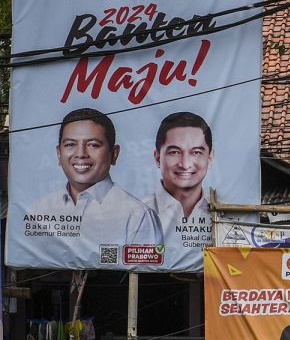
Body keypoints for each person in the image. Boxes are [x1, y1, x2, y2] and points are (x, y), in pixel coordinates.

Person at [23, 108, 162, 266]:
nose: (81, 154)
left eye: (93, 145)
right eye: (70, 144)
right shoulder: (38, 210)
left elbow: (147, 272)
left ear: (114, 154)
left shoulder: (137, 216)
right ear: (58, 154)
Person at [143, 111, 213, 264]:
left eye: (196, 152)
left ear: (209, 157)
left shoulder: (222, 213)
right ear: (157, 157)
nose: (185, 164)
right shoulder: (137, 214)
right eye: (174, 152)